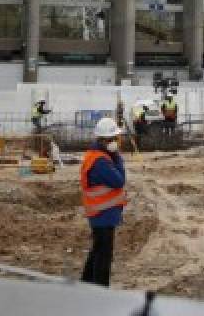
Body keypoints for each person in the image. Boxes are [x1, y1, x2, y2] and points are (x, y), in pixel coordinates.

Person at [80, 117, 127, 286]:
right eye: (114, 138)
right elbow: (119, 180)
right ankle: (100, 290)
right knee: (103, 256)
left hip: (101, 214)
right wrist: (117, 158)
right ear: (105, 140)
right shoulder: (100, 161)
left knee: (97, 251)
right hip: (103, 215)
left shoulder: (98, 156)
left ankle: (85, 284)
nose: (117, 141)